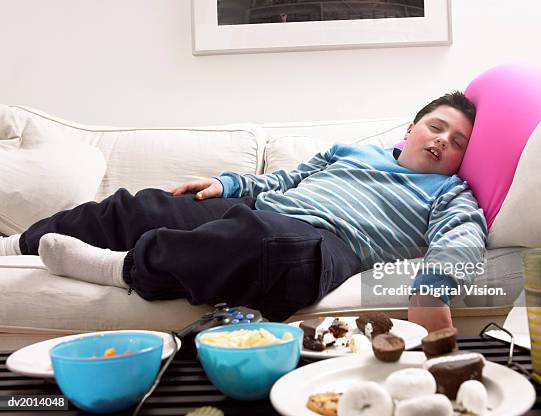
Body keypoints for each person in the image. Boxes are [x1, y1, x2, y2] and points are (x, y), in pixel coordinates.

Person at [0, 91, 486, 331]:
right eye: (437, 127)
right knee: (144, 204)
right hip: (263, 207)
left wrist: (433, 289)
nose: (443, 141)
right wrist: (227, 182)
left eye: (458, 141)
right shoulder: (351, 152)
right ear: (412, 128)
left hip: (327, 243)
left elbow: (461, 240)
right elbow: (284, 180)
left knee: (262, 244)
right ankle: (16, 243)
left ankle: (119, 268)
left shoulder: (449, 194)